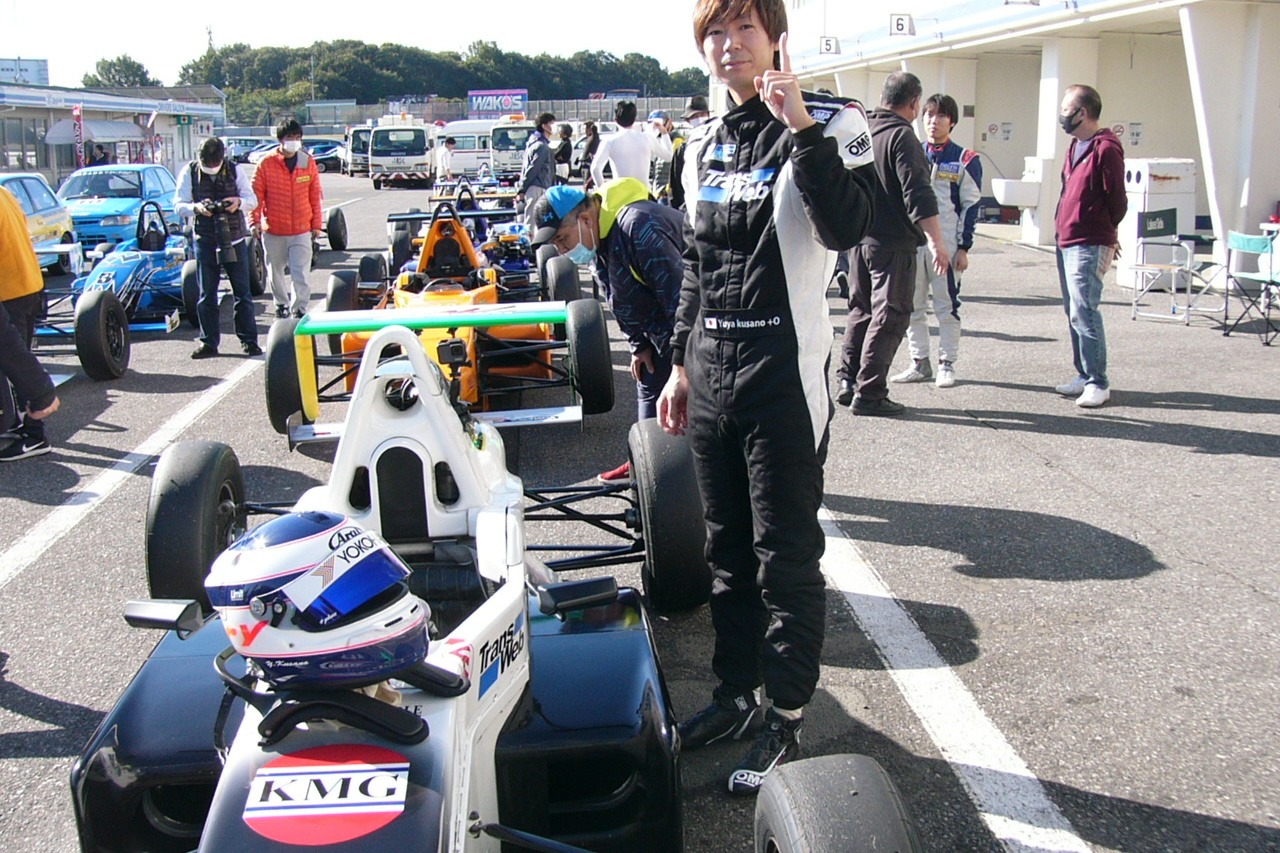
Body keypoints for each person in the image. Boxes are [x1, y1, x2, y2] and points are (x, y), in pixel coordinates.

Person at [658, 0, 876, 794]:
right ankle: (734, 694)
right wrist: (679, 365)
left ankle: (785, 715)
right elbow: (695, 260)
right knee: (725, 552)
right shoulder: (698, 143)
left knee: (784, 557)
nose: (729, 45)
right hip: (713, 369)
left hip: (784, 375)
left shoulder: (835, 122)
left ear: (777, 36)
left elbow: (849, 228)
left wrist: (802, 128)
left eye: (744, 28)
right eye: (714, 33)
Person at [531, 178, 684, 482]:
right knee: (649, 376)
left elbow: (682, 302)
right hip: (659, 331)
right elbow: (616, 295)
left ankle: (679, 473)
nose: (562, 250)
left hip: (700, 330)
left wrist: (682, 366)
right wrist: (638, 344)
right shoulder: (598, 238)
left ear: (585, 219)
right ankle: (645, 460)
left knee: (691, 401)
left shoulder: (639, 228)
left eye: (562, 238)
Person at [835, 71, 951, 416]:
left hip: (859, 239)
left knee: (861, 310)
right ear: (914, 102)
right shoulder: (902, 136)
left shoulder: (863, 130)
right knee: (891, 314)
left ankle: (847, 380)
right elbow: (918, 193)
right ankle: (870, 392)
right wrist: (936, 241)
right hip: (893, 242)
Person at [892, 93, 982, 389]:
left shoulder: (966, 159)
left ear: (952, 121)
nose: (934, 121)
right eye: (929, 115)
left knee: (946, 307)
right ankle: (920, 362)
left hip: (948, 244)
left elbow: (971, 205)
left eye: (941, 115)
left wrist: (964, 247)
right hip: (913, 243)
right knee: (913, 306)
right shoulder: (912, 152)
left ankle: (947, 363)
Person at [1054, 84, 1125, 408]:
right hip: (1067, 239)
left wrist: (1106, 233)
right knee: (1074, 311)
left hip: (1088, 241)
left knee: (1085, 310)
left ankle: (1098, 381)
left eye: (1066, 109)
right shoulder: (1075, 146)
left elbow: (1117, 199)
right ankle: (1083, 374)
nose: (1062, 115)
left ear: (1082, 112)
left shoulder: (1106, 148)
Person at [175, 136, 260, 358]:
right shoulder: (189, 171)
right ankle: (208, 342)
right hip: (205, 239)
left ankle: (249, 341)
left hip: (235, 239)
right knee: (206, 294)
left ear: (223, 158)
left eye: (215, 163)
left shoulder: (235, 170)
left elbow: (252, 200)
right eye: (207, 163)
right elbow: (178, 205)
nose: (211, 167)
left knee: (242, 293)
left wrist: (238, 203)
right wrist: (196, 208)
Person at [0, 185, 59, 461]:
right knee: (18, 354)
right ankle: (20, 423)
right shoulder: (4, 192)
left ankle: (35, 434)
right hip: (29, 282)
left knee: (14, 358)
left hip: (9, 289)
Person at [250, 119, 323, 320]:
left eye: (298, 137)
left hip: (301, 229)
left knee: (301, 272)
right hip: (274, 229)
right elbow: (256, 196)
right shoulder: (266, 163)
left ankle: (299, 308)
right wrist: (254, 222)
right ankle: (281, 304)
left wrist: (316, 224)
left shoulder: (307, 162)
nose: (294, 141)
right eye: (290, 137)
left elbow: (315, 195)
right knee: (275, 271)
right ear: (281, 139)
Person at [589, 101, 673, 188]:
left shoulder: (609, 141)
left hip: (621, 192)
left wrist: (603, 189)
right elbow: (668, 156)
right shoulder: (647, 138)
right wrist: (664, 132)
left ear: (616, 120)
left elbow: (595, 169)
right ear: (635, 119)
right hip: (643, 192)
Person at [516, 112, 556, 231]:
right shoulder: (541, 146)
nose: (554, 127)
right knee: (533, 223)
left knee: (532, 221)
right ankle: (529, 242)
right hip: (538, 187)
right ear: (544, 126)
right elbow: (533, 169)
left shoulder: (532, 143)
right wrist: (522, 189)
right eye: (552, 124)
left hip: (535, 187)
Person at [581, 121, 601, 189]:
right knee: (585, 184)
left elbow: (595, 133)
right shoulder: (588, 138)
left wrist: (593, 128)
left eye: (586, 129)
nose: (585, 131)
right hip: (585, 164)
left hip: (589, 164)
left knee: (588, 186)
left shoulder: (594, 136)